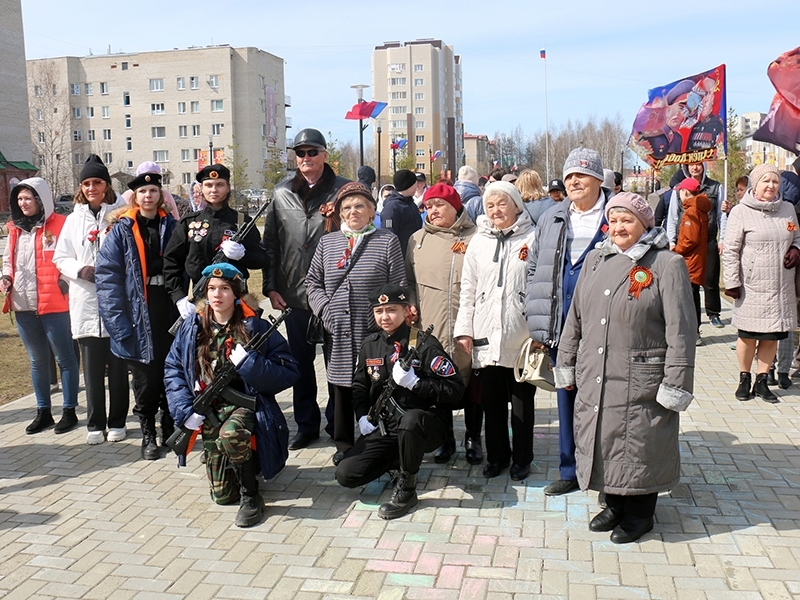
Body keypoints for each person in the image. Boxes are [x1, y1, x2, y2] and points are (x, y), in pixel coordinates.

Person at [554, 192, 696, 544]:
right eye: (614, 220)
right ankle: (616, 503)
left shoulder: (666, 263)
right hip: (597, 369)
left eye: (627, 220)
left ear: (645, 224)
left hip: (642, 373)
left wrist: (676, 380)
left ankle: (640, 514)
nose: (618, 227)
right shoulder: (595, 261)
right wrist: (566, 362)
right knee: (605, 438)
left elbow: (682, 329)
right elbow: (575, 318)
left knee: (639, 441)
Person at [164, 264, 300, 527]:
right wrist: (185, 410)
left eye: (225, 289)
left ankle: (251, 495)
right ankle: (247, 462)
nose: (217, 295)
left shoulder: (254, 327)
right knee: (222, 497)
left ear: (236, 294)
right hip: (209, 410)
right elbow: (172, 370)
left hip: (245, 406)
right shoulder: (192, 328)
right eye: (212, 289)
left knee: (232, 434)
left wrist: (251, 365)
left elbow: (289, 371)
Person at [335, 283, 464, 519]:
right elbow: (359, 386)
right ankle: (400, 460)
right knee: (346, 473)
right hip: (387, 427)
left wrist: (417, 384)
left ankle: (407, 488)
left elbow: (457, 392)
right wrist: (362, 415)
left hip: (425, 427)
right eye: (379, 311)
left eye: (391, 310)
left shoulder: (424, 345)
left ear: (406, 311)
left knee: (411, 419)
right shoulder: (370, 345)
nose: (385, 317)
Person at [525, 148, 611, 496]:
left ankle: (604, 470)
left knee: (605, 398)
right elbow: (535, 266)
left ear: (599, 180)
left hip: (605, 324)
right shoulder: (553, 216)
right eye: (570, 175)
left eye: (583, 175)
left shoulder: (616, 213)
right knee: (567, 396)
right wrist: (533, 307)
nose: (574, 181)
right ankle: (570, 469)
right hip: (561, 325)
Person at [261, 128, 350, 450]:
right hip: (294, 293)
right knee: (300, 364)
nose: (306, 158)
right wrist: (271, 286)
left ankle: (339, 424)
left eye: (312, 152)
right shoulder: (281, 193)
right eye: (300, 153)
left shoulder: (344, 191)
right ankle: (306, 424)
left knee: (337, 362)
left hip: (335, 293)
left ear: (325, 155)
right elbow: (271, 243)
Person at [306, 182, 406, 464]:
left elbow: (398, 282)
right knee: (340, 385)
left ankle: (376, 439)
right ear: (338, 213)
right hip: (337, 328)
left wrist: (389, 318)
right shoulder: (328, 242)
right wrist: (325, 310)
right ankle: (343, 443)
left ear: (372, 210)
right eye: (346, 207)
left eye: (360, 206)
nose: (353, 212)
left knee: (374, 383)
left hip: (373, 329)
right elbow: (312, 281)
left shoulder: (386, 240)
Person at [454, 181, 537, 480]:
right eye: (490, 205)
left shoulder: (533, 237)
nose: (496, 210)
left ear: (516, 205)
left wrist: (540, 331)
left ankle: (522, 458)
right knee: (491, 401)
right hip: (485, 332)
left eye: (502, 204)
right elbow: (468, 289)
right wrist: (464, 329)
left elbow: (541, 288)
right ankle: (498, 456)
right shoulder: (479, 241)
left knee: (521, 401)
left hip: (521, 332)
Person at [95, 167, 179, 457]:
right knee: (145, 378)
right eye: (142, 192)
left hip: (169, 309)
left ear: (160, 195)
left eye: (153, 191)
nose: (148, 195)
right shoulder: (122, 230)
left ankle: (170, 426)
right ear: (134, 197)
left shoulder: (172, 226)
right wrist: (118, 324)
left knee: (171, 371)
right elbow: (107, 279)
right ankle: (148, 434)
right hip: (137, 312)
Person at [54, 155, 130, 445]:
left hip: (116, 302)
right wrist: (80, 269)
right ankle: (95, 422)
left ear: (106, 185)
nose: (91, 187)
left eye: (96, 182)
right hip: (86, 301)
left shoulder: (122, 215)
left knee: (119, 367)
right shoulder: (74, 220)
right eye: (86, 183)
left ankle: (118, 420)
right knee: (93, 370)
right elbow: (61, 257)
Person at [405, 183, 478, 464]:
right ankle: (445, 439)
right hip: (430, 323)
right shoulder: (416, 239)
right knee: (437, 381)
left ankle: (473, 438)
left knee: (472, 385)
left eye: (440, 205)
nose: (433, 211)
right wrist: (412, 304)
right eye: (429, 206)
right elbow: (409, 280)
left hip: (466, 324)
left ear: (455, 207)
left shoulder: (475, 237)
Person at [2, 178, 80, 434]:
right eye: (20, 199)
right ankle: (43, 411)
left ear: (40, 199)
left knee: (65, 359)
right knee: (37, 361)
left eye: (28, 198)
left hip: (55, 302)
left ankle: (69, 411)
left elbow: (71, 257)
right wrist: (5, 278)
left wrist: (65, 281)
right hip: (24, 304)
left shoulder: (60, 224)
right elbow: (7, 260)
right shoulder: (14, 228)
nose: (23, 203)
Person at [723, 164, 800, 403]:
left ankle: (762, 380)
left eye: (775, 182)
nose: (771, 186)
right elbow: (731, 250)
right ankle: (744, 378)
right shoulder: (741, 211)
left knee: (771, 335)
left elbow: (796, 234)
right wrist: (732, 281)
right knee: (748, 334)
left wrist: (797, 249)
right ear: (755, 185)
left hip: (780, 285)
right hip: (752, 284)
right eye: (765, 181)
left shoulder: (787, 209)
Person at [163, 163, 267, 324]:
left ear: (228, 187)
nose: (214, 189)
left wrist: (243, 255)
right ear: (201, 189)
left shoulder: (242, 222)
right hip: (200, 299)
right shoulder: (189, 223)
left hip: (236, 300)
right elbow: (171, 262)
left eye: (220, 185)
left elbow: (262, 258)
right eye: (209, 185)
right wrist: (179, 297)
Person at [666, 162, 726, 328]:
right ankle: (694, 326)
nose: (694, 168)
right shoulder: (681, 192)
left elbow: (721, 215)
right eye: (690, 165)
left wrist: (723, 239)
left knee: (709, 280)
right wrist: (672, 240)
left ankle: (710, 316)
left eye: (698, 164)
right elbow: (672, 217)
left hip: (703, 243)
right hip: (689, 246)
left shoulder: (713, 189)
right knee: (692, 286)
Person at [672, 177, 711, 345]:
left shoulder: (691, 211)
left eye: (680, 191)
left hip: (689, 261)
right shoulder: (699, 208)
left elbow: (689, 239)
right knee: (693, 295)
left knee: (688, 297)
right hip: (697, 259)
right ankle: (693, 331)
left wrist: (676, 249)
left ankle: (692, 332)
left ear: (685, 192)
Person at [381, 170, 422, 259]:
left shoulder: (411, 204)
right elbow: (388, 231)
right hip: (400, 256)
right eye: (415, 183)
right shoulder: (392, 207)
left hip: (413, 252)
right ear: (408, 185)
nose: (417, 186)